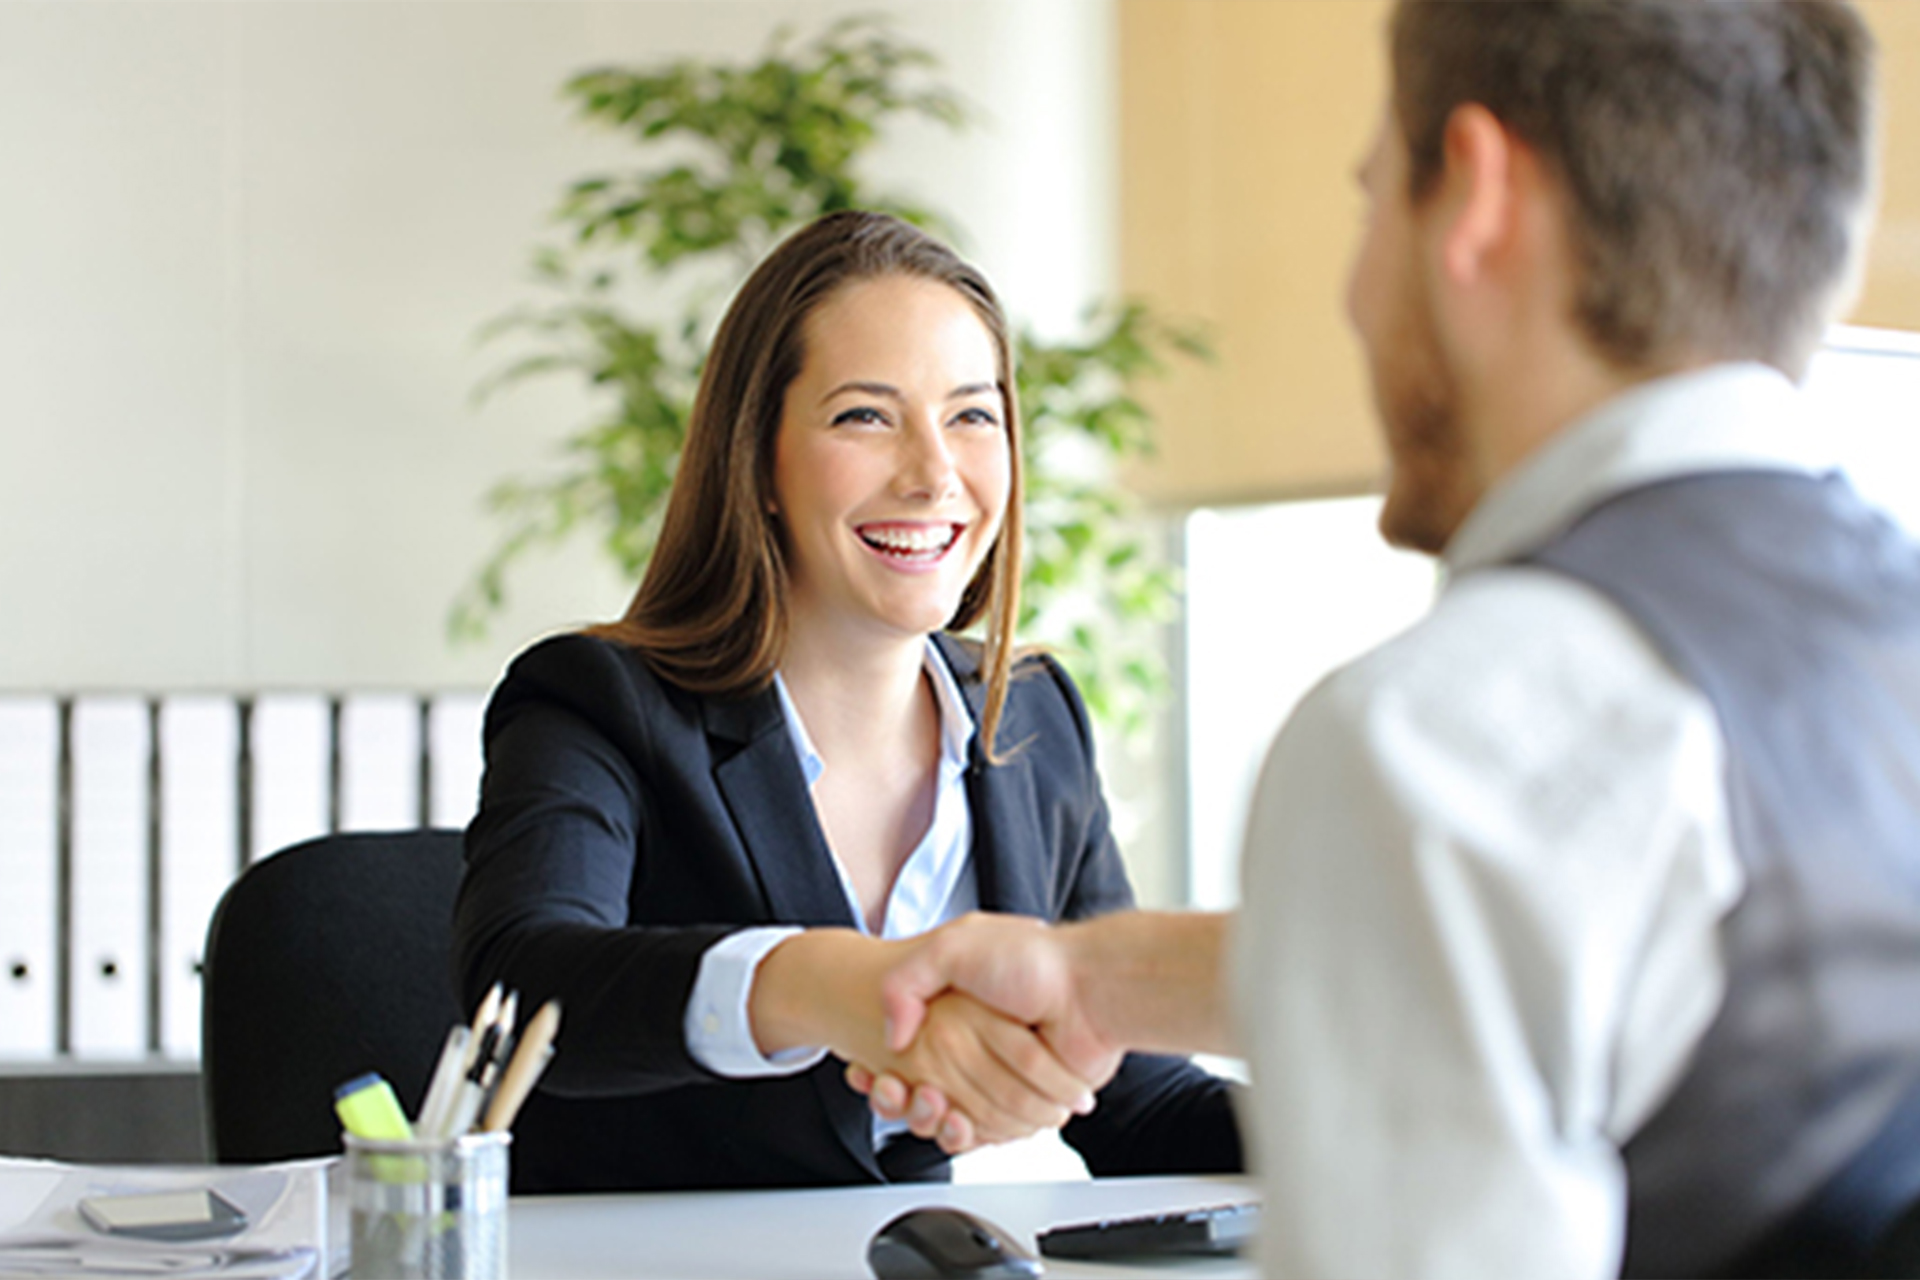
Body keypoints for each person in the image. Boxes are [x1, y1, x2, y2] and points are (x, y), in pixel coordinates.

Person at [859, 3, 1920, 1277]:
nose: (1355, 297)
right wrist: (1101, 976)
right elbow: (1629, 959)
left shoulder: (1438, 737)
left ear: (1473, 198)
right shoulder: (1869, 644)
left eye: (1370, 203)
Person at [452, 209, 1241, 1193]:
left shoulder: (1030, 718)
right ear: (760, 461)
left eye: (972, 414)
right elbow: (522, 990)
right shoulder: (600, 704)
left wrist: (1395, 1112)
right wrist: (833, 986)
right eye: (864, 415)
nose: (934, 474)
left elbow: (1145, 1104)